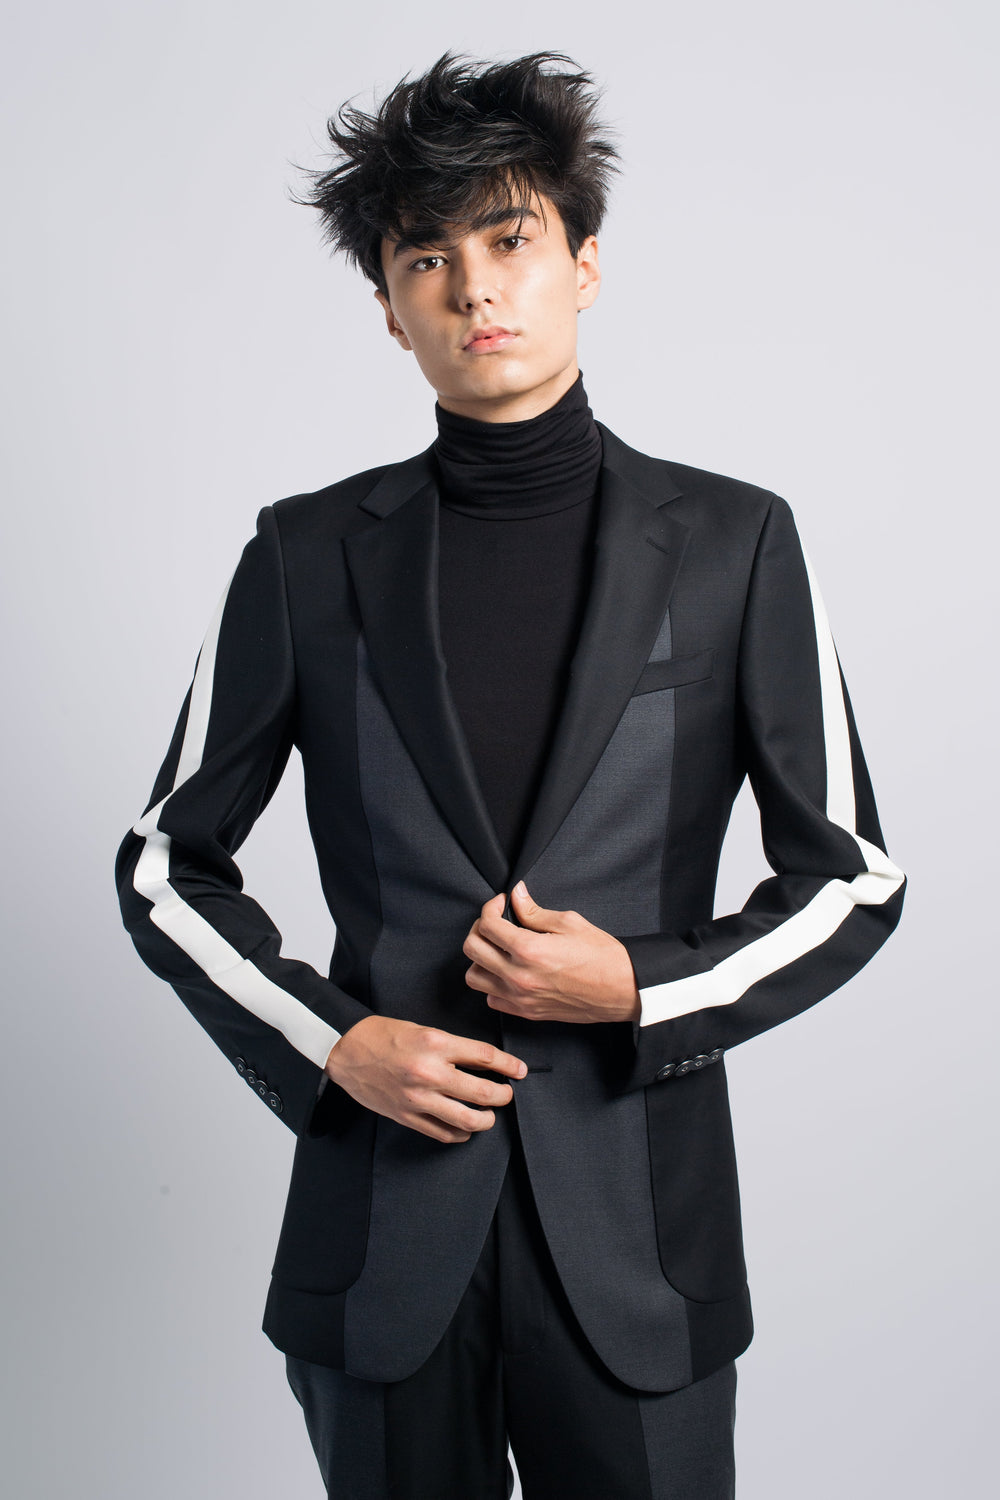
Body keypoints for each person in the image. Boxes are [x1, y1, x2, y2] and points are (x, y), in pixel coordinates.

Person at [115, 51, 905, 1500]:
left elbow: (853, 880)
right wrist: (333, 1044)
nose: (474, 288)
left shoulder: (735, 544)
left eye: (510, 239)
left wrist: (644, 990)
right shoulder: (302, 556)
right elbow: (166, 867)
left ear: (584, 263)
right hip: (381, 1235)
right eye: (428, 258)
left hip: (640, 1244)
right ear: (390, 306)